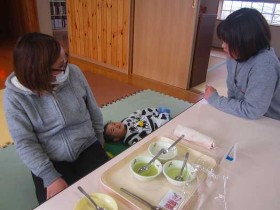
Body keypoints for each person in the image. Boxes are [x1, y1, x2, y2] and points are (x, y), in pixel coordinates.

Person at [3, 32, 109, 204]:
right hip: (50, 158)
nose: (66, 68)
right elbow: (25, 142)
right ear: (39, 73)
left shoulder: (74, 73)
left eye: (65, 59)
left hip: (87, 144)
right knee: (59, 204)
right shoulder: (14, 96)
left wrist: (98, 140)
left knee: (107, 189)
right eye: (60, 65)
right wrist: (49, 176)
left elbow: (94, 110)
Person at [204, 8, 280, 120]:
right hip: (248, 115)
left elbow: (253, 110)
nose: (222, 46)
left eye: (228, 42)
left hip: (270, 120)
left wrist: (214, 99)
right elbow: (233, 93)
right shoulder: (234, 56)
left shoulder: (264, 65)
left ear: (246, 42)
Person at [104, 107, 171, 146]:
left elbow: (133, 115)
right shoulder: (129, 138)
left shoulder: (124, 121)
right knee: (162, 123)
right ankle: (164, 114)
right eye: (113, 129)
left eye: (114, 123)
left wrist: (139, 113)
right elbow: (139, 142)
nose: (116, 125)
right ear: (116, 139)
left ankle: (156, 111)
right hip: (153, 126)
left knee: (146, 111)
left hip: (144, 118)